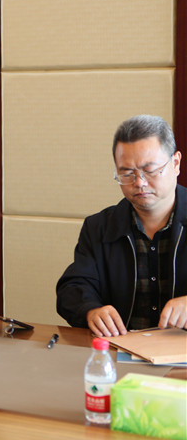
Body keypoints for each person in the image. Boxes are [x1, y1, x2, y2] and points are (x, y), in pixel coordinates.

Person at [56, 115, 186, 337]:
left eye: (150, 170)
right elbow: (73, 287)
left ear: (175, 164)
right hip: (120, 349)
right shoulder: (99, 227)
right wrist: (91, 310)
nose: (139, 182)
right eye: (127, 173)